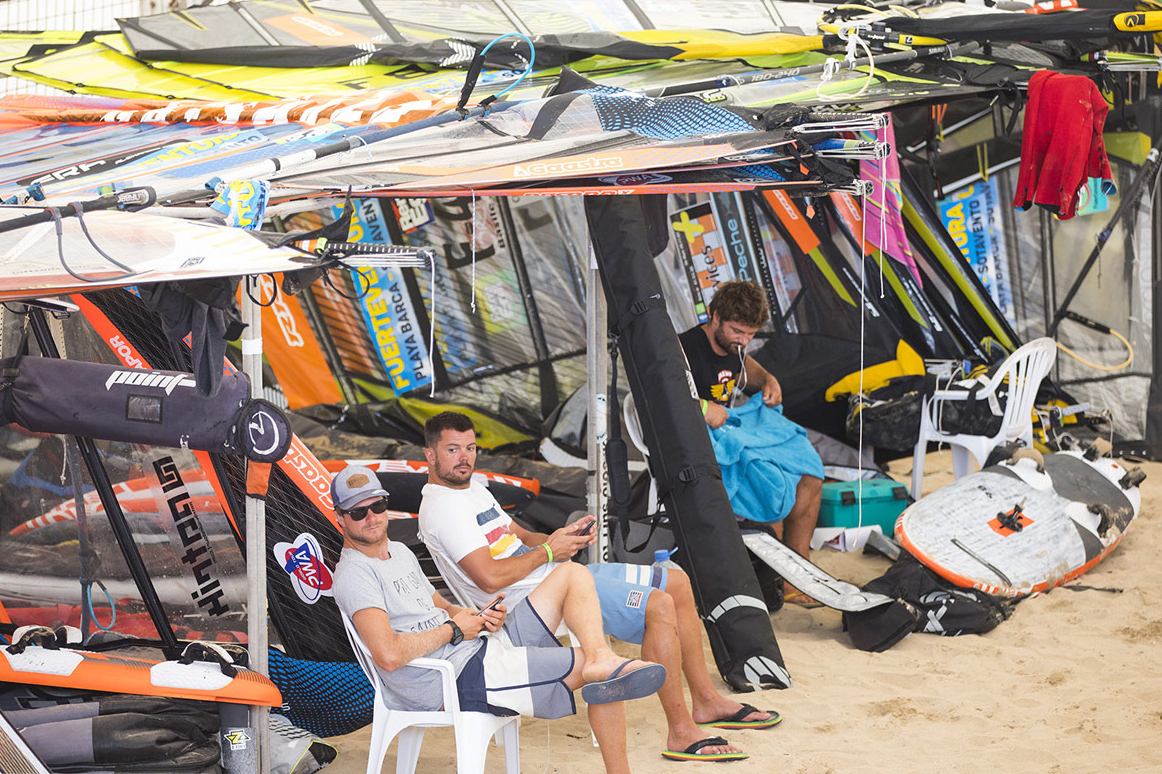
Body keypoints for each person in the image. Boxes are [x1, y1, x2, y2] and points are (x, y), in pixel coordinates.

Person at [418, 412, 779, 763]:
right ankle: (681, 731)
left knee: (678, 581)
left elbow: (522, 536)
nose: (464, 457)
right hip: (530, 603)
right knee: (658, 604)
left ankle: (705, 701)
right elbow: (489, 577)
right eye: (453, 450)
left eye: (470, 447)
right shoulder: (443, 507)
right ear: (430, 455)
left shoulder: (473, 489)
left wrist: (561, 540)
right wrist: (548, 553)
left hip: (554, 576)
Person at [331, 465, 667, 774]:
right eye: (358, 512)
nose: (371, 518)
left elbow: (440, 607)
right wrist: (453, 631)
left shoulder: (400, 552)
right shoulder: (355, 574)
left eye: (377, 506)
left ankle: (600, 656)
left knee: (572, 573)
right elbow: (388, 655)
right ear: (341, 518)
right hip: (449, 679)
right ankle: (603, 678)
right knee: (598, 672)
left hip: (477, 647)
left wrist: (477, 616)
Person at [678, 281, 824, 607]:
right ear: (714, 316)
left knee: (810, 474)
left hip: (734, 433)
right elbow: (659, 395)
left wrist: (770, 381)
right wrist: (703, 407)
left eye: (750, 333)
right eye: (737, 331)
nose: (743, 341)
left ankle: (796, 576)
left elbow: (748, 370)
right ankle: (772, 580)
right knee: (768, 480)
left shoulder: (736, 350)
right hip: (698, 445)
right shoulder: (683, 349)